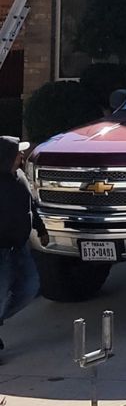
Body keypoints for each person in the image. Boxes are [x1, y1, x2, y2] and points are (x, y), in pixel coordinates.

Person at [0, 135, 47, 359]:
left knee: (30, 288)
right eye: (18, 152)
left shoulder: (20, 176)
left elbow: (31, 206)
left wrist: (41, 229)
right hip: (1, 252)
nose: (22, 155)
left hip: (20, 247)